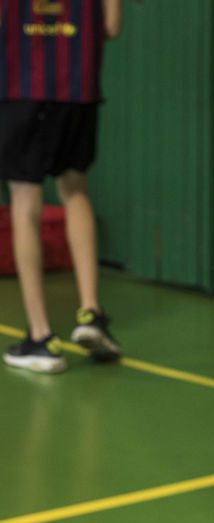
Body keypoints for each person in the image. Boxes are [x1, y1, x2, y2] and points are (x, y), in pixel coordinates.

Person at [1, 0, 123, 373]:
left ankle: (41, 338)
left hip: (20, 85)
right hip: (77, 88)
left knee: (25, 202)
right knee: (76, 191)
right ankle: (91, 313)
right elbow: (112, 26)